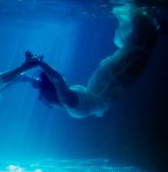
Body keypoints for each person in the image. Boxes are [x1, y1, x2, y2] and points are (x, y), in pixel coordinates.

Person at [23, 6, 158, 118]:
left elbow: (56, 80)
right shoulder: (66, 100)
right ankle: (143, 17)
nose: (41, 101)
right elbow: (55, 81)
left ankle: (145, 18)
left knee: (136, 50)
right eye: (42, 97)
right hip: (108, 80)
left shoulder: (66, 100)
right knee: (135, 48)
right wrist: (36, 66)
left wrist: (31, 70)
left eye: (42, 97)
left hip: (110, 81)